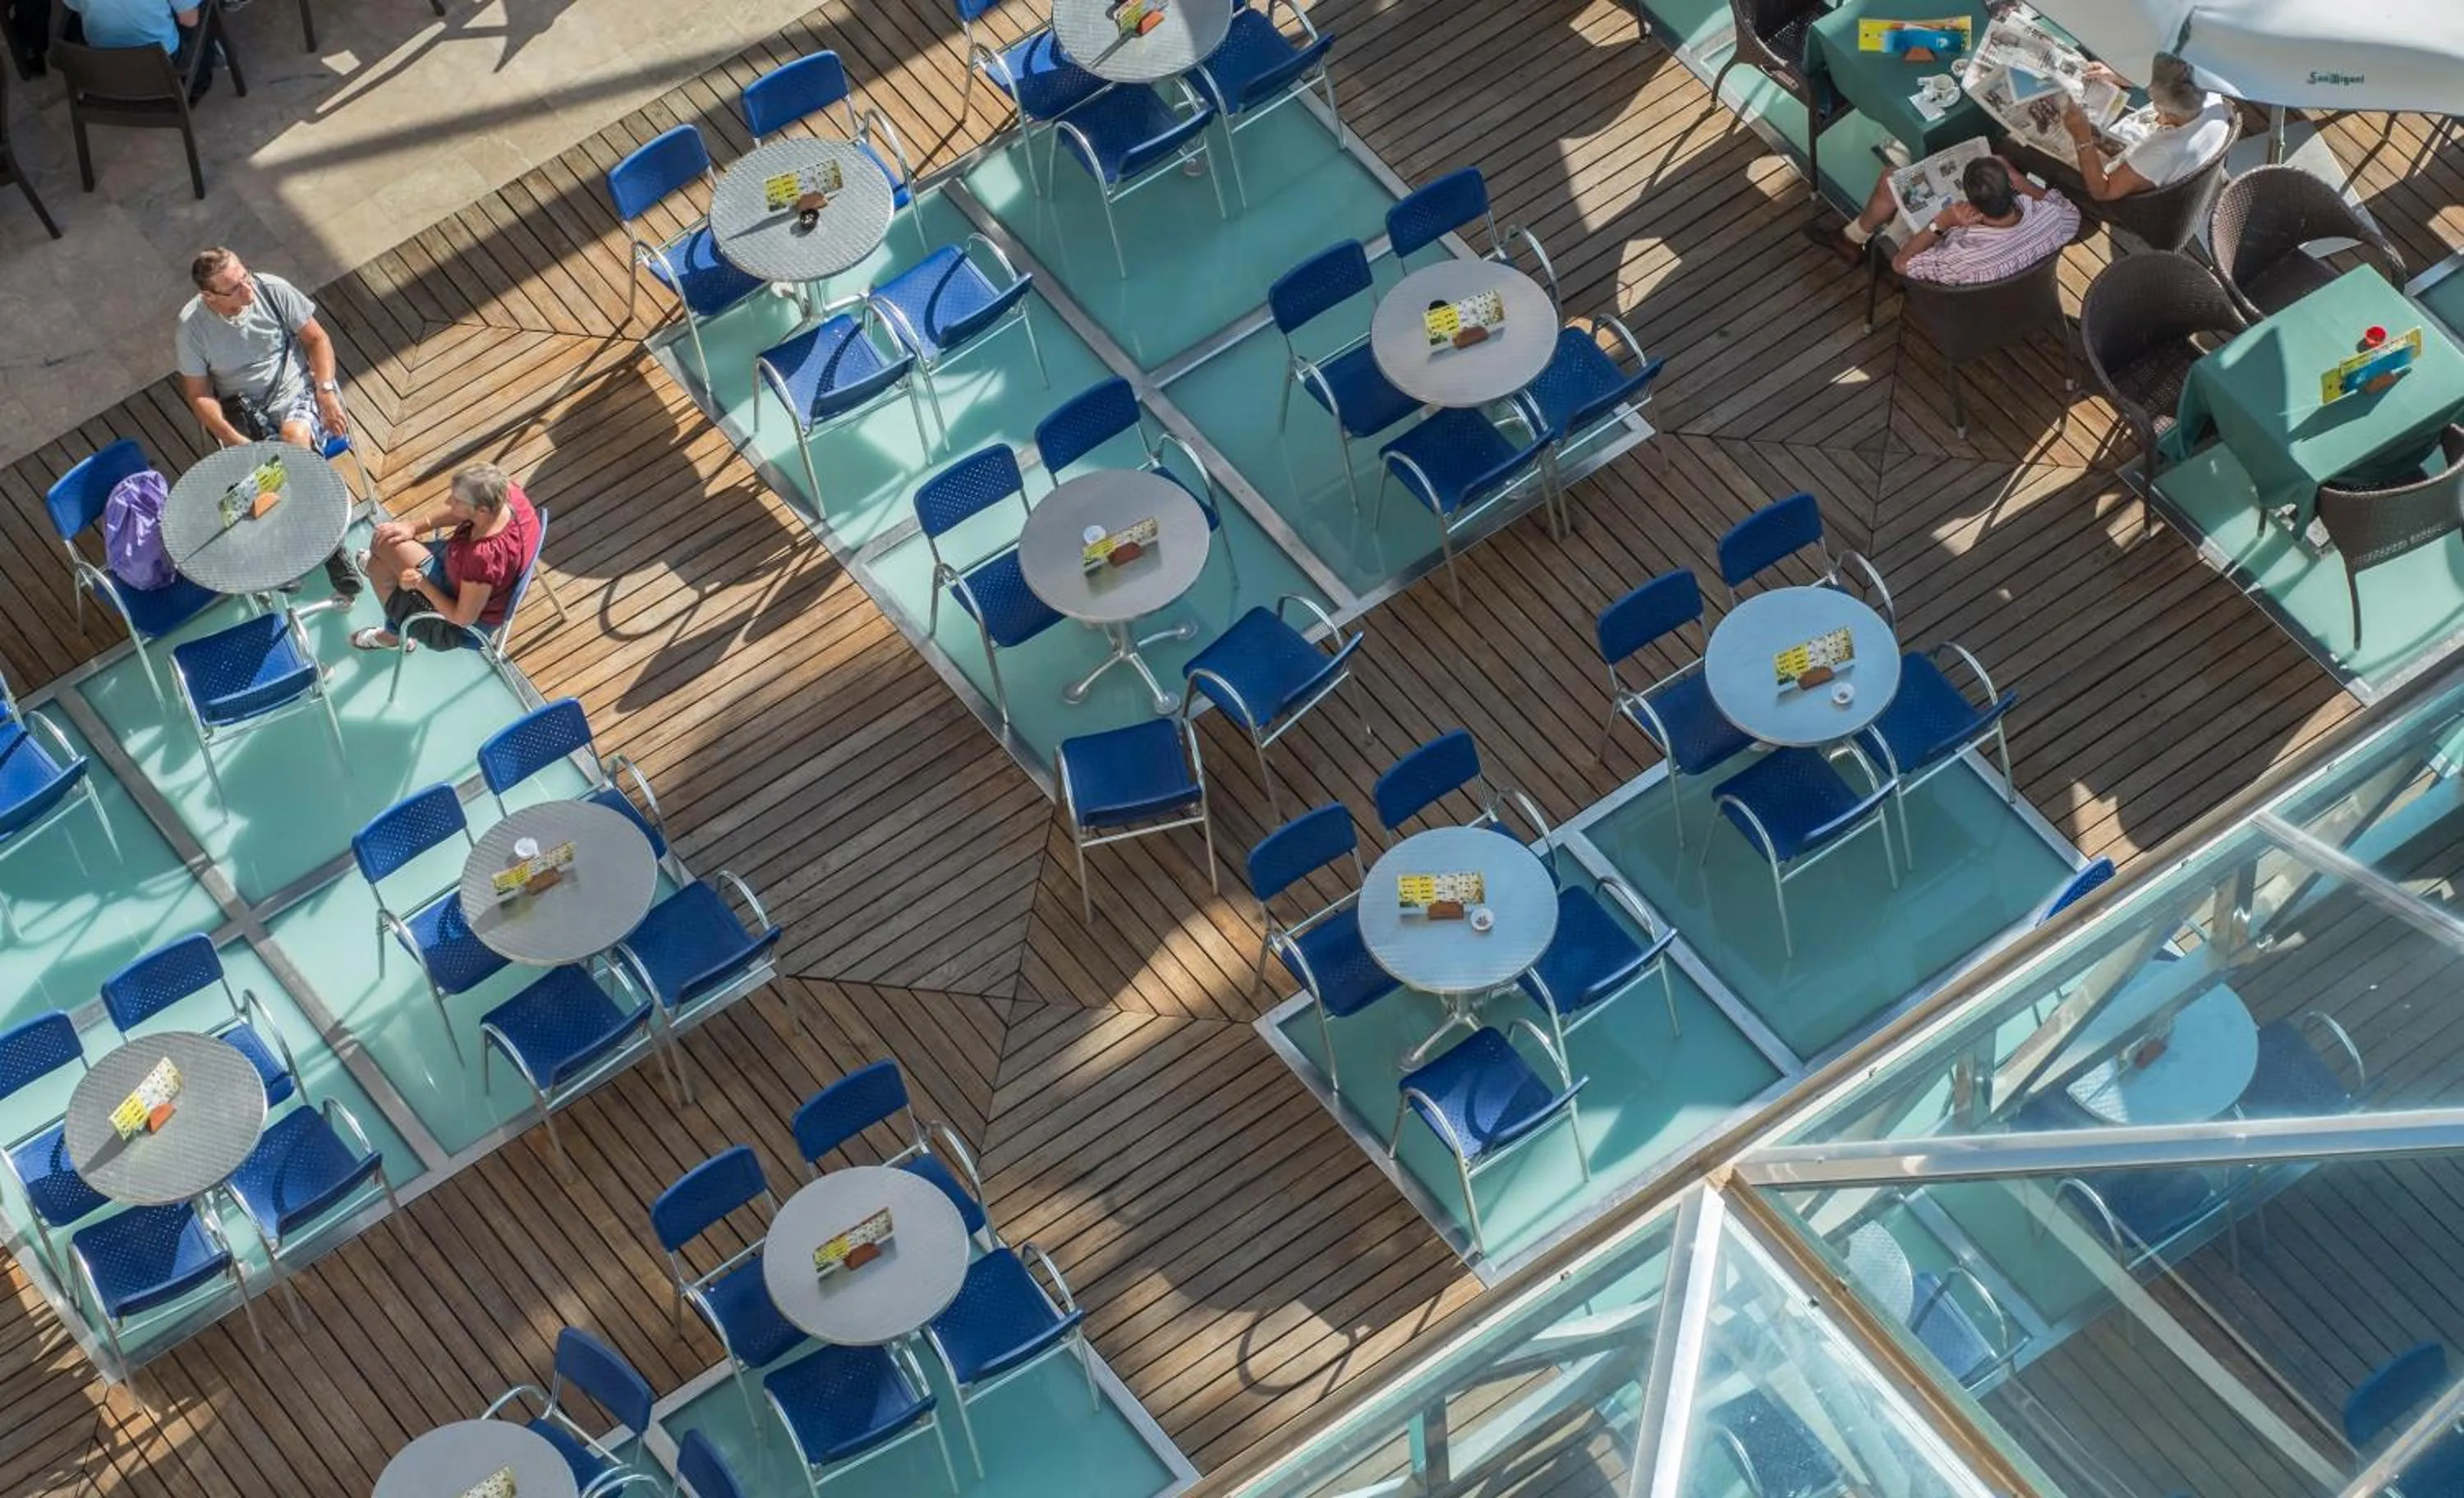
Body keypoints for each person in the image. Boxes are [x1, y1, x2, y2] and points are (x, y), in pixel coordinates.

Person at [176, 248, 359, 594]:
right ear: (209, 296)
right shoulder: (192, 328)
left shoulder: (272, 289)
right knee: (280, 467)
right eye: (235, 287)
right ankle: (327, 546)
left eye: (246, 275)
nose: (249, 289)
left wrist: (325, 392)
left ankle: (300, 551)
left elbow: (318, 339)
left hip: (301, 391)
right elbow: (199, 394)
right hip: (244, 412)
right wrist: (232, 439)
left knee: (292, 443)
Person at [350, 463, 541, 654]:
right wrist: (414, 527)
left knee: (379, 563)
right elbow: (461, 513)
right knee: (384, 542)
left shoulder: (483, 558)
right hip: (461, 568)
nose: (449, 502)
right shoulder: (506, 491)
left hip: (456, 624)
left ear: (482, 510)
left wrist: (421, 583)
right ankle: (387, 571)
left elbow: (462, 619)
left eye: (457, 501)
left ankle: (393, 636)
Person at [1818, 155, 2079, 285]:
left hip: (1949, 269)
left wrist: (1940, 223)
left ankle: (1850, 239)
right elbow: (2070, 211)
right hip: (2024, 290)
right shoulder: (2055, 219)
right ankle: (1868, 232)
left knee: (1890, 180)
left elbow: (1901, 264)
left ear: (1974, 205)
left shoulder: (1961, 259)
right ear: (2012, 189)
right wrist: (2019, 179)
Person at [2060, 53, 2235, 200]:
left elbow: (2103, 192)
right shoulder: (2212, 99)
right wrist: (2115, 76)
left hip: (2130, 191)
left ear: (2169, 117)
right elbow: (2175, 83)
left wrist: (2082, 138)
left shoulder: (2160, 152)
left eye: (2155, 103)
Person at [59, 0, 217, 99]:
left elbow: (75, 8)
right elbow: (189, 20)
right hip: (160, 66)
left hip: (102, 67)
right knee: (202, 13)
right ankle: (195, 88)